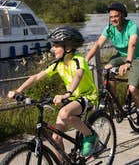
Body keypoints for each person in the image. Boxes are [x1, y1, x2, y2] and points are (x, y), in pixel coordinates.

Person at [8, 26, 99, 159]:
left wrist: (67, 93)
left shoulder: (79, 60)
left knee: (64, 113)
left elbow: (78, 75)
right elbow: (36, 77)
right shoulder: (58, 64)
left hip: (87, 96)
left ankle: (90, 135)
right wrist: (18, 91)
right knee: (56, 137)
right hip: (71, 98)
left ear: (67, 47)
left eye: (56, 45)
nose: (52, 49)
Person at [86, 2, 139, 125]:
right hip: (121, 56)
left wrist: (128, 62)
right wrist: (85, 59)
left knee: (132, 87)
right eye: (111, 17)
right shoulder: (109, 29)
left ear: (123, 16)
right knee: (107, 70)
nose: (114, 19)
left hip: (137, 57)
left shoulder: (131, 26)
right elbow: (98, 44)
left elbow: (132, 43)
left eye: (116, 16)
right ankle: (114, 102)